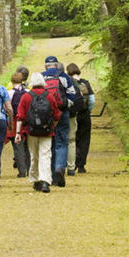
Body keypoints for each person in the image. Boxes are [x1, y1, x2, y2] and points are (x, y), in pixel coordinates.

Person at [15, 72, 60, 193]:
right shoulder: (49, 96)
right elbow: (56, 115)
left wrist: (18, 133)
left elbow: (20, 116)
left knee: (34, 156)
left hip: (31, 131)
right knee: (46, 155)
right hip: (47, 131)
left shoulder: (26, 97)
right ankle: (45, 181)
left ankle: (36, 180)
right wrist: (52, 127)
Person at [42, 55, 81, 187]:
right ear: (57, 65)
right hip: (62, 113)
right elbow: (72, 95)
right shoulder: (64, 77)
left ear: (46, 65)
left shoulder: (41, 77)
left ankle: (52, 176)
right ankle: (60, 168)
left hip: (46, 115)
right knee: (62, 142)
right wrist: (66, 106)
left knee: (49, 144)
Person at [67, 62, 96, 173]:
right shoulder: (85, 83)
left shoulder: (70, 83)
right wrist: (88, 110)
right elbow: (92, 100)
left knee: (73, 139)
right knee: (85, 140)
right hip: (85, 115)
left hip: (73, 115)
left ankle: (73, 162)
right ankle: (81, 165)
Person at [7, 71, 30, 177]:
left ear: (12, 81)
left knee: (17, 146)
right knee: (28, 146)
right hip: (27, 121)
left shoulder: (9, 93)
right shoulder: (28, 92)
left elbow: (7, 108)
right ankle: (30, 168)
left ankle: (22, 170)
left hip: (15, 121)